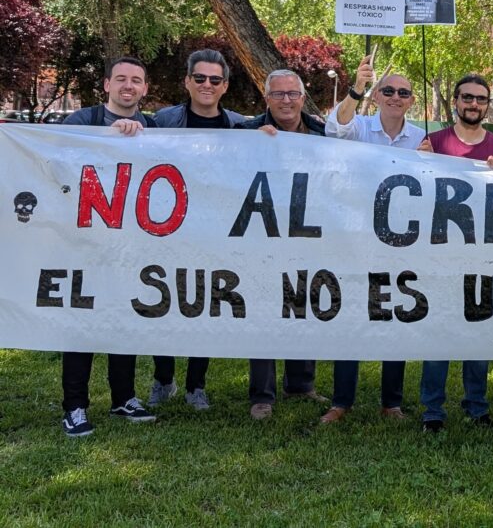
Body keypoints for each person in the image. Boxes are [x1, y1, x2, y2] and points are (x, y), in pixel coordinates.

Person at [320, 55, 425, 424]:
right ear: (377, 96)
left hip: (401, 241)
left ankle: (391, 402)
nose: (396, 97)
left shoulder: (420, 139)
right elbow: (336, 128)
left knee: (396, 314)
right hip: (355, 237)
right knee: (350, 314)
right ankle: (341, 402)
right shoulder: (360, 125)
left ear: (412, 101)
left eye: (403, 93)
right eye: (389, 90)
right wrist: (356, 89)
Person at [60, 57, 158, 436]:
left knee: (123, 318)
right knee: (82, 323)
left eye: (136, 80)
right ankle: (75, 406)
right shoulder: (81, 122)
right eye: (120, 79)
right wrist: (106, 138)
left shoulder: (154, 128)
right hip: (84, 241)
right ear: (106, 85)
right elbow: (59, 161)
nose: (128, 86)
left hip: (131, 242)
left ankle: (123, 397)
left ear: (145, 88)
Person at [417, 74, 493, 431]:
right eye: (468, 98)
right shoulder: (433, 141)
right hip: (440, 255)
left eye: (481, 99)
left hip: (483, 256)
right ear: (455, 101)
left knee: (478, 333)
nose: (474, 104)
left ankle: (477, 406)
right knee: (438, 334)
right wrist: (419, 162)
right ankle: (433, 410)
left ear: (487, 105)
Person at [149, 49, 245, 412]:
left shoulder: (241, 127)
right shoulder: (162, 121)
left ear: (225, 86)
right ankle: (163, 379)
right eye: (200, 78)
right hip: (166, 227)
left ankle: (196, 385)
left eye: (215, 79)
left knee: (205, 305)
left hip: (215, 231)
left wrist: (269, 136)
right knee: (162, 302)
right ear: (187, 81)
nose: (207, 85)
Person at [235, 69, 325, 419]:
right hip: (263, 234)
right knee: (264, 311)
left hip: (307, 233)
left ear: (303, 97)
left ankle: (301, 383)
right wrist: (251, 146)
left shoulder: (321, 132)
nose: (286, 100)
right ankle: (262, 394)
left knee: (302, 304)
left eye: (292, 94)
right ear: (266, 98)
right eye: (278, 94)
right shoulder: (247, 132)